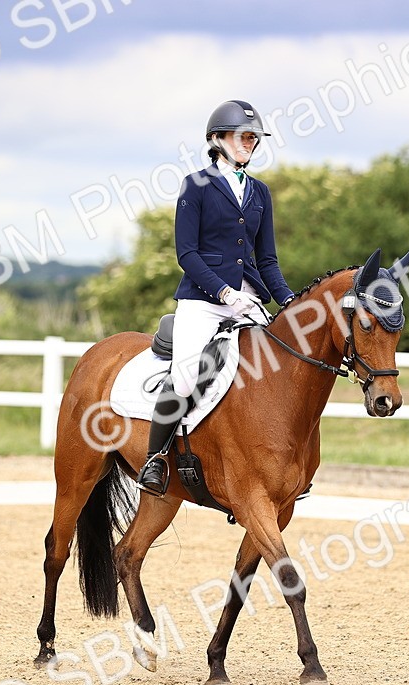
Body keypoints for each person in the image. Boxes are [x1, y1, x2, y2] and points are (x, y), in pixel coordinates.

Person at [136, 99, 297, 496]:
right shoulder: (197, 186)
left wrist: (291, 304)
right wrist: (223, 291)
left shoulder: (260, 192)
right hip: (203, 301)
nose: (250, 143)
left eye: (253, 138)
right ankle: (155, 459)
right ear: (217, 139)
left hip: (249, 298)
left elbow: (268, 259)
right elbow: (186, 254)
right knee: (188, 374)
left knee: (277, 371)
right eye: (243, 137)